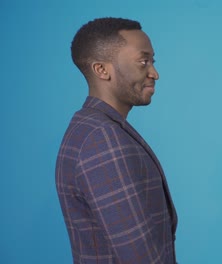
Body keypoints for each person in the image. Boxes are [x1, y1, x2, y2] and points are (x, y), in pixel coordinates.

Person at [56, 17, 177, 263]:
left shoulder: (93, 128)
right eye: (143, 62)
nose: (154, 73)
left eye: (152, 61)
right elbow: (140, 256)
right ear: (102, 70)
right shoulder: (101, 140)